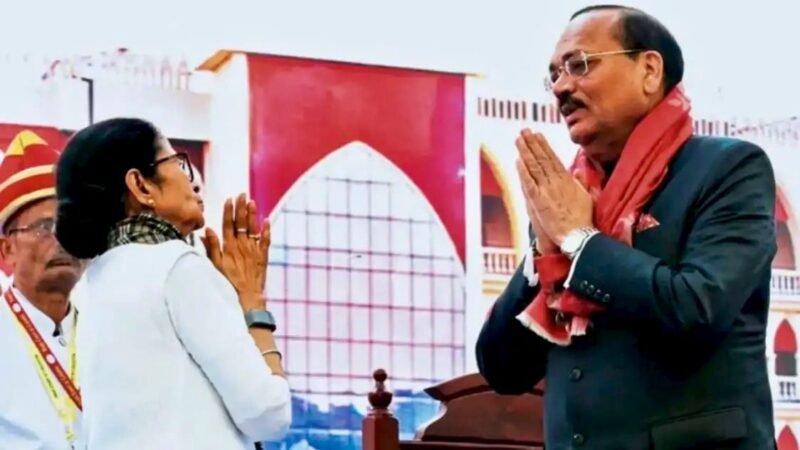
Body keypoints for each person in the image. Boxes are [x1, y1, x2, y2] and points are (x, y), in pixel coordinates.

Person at [476, 5, 777, 450]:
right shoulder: (571, 196)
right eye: (554, 74)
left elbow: (697, 308)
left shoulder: (728, 169)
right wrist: (545, 255)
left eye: (579, 64)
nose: (561, 87)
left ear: (649, 70)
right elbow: (503, 371)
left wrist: (580, 241)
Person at [54, 118, 291, 449]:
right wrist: (252, 304)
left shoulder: (91, 285)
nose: (191, 180)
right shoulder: (179, 268)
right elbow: (268, 414)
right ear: (141, 186)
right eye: (178, 163)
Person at [0, 130, 85, 450]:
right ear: (7, 249)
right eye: (44, 227)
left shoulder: (106, 326)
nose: (61, 239)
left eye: (69, 225)